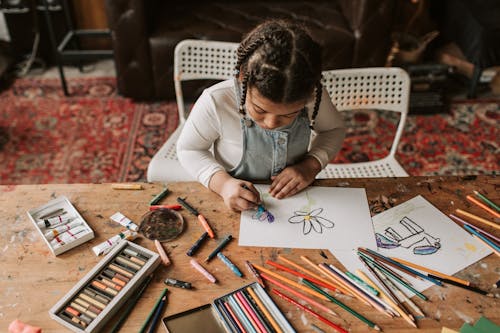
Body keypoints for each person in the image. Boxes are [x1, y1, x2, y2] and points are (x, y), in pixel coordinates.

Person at [177, 19, 346, 211]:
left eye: (289, 114)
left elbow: (334, 130)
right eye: (260, 110)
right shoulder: (217, 101)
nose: (271, 122)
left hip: (294, 200)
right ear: (242, 78)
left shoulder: (313, 96)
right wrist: (223, 184)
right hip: (231, 197)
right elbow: (189, 150)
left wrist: (310, 166)